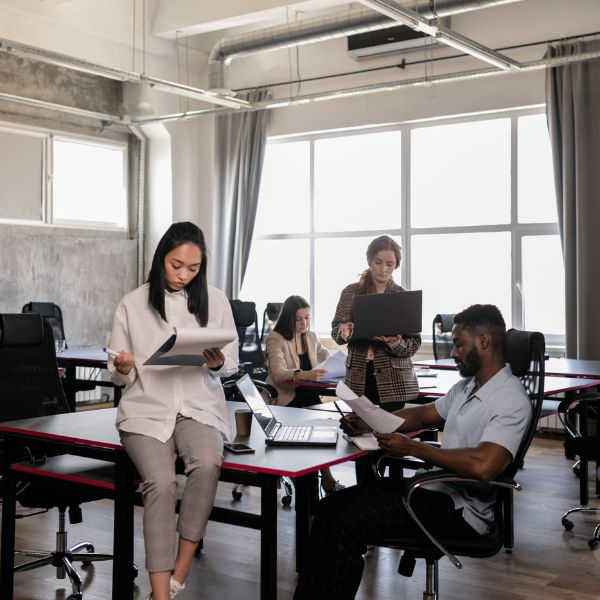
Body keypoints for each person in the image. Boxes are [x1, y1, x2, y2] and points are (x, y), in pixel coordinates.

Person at [294, 304, 532, 600]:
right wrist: (371, 420)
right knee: (329, 508)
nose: (454, 352)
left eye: (459, 344)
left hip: (461, 512)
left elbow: (484, 466)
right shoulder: (468, 387)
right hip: (433, 490)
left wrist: (414, 448)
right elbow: (421, 416)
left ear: (483, 342)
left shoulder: (510, 400)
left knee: (344, 522)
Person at [108, 222, 239, 600]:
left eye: (193, 268)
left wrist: (217, 364)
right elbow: (118, 373)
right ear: (160, 258)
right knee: (161, 484)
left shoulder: (215, 301)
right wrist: (122, 367)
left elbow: (229, 362)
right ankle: (161, 593)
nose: (183, 275)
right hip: (146, 408)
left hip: (199, 405)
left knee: (208, 463)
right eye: (175, 265)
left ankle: (181, 570)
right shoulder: (132, 303)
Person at [331, 235, 421, 482]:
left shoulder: (402, 296)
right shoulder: (350, 292)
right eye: (378, 262)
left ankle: (391, 497)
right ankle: (365, 494)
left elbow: (413, 345)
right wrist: (344, 331)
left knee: (389, 443)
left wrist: (393, 340)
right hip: (360, 378)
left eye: (389, 264)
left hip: (393, 381)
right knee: (361, 442)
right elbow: (335, 332)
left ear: (396, 265)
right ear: (369, 261)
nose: (383, 269)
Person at [265, 295, 344, 495]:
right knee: (315, 428)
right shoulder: (276, 339)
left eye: (307, 318)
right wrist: (305, 374)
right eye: (299, 319)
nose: (304, 323)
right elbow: (279, 373)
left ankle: (323, 481)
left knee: (323, 428)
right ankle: (325, 481)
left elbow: (327, 359)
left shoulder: (311, 337)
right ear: (288, 319)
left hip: (309, 397)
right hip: (287, 399)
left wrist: (343, 366)